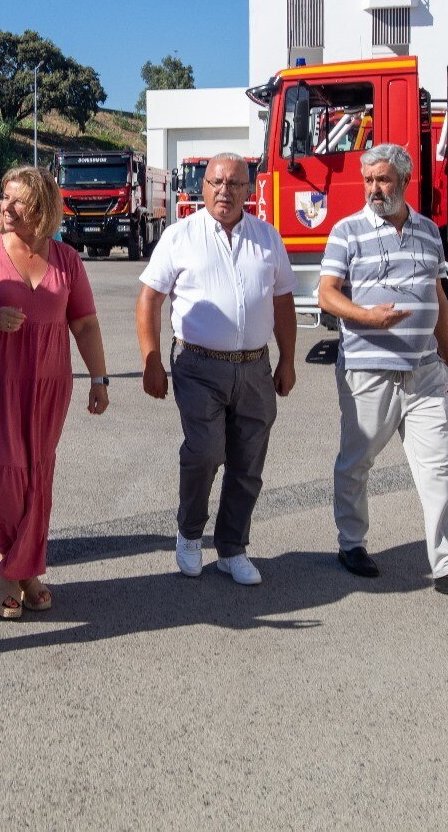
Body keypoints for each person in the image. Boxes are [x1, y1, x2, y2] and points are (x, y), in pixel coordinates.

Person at [318, 143, 448, 602]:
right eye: (369, 180)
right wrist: (366, 317)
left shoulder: (429, 231)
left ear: (404, 181)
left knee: (440, 467)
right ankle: (351, 544)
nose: (375, 189)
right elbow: (326, 294)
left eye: (383, 180)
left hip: (425, 371)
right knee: (356, 463)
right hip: (369, 370)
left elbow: (436, 297)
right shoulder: (346, 231)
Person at [0, 166, 109, 618]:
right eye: (5, 198)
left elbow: (85, 323)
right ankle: (7, 570)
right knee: (7, 474)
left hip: (48, 386)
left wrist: (99, 378)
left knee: (38, 475)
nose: (6, 207)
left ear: (43, 207)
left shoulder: (67, 259)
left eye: (18, 200)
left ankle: (28, 568)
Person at [136, 152, 296, 586]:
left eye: (235, 184)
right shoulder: (179, 236)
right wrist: (151, 360)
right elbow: (150, 299)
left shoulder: (267, 238)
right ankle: (190, 535)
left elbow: (283, 301)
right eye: (216, 182)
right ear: (202, 186)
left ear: (249, 190)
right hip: (198, 365)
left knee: (248, 461)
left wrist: (288, 359)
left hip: (255, 367)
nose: (225, 191)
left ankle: (231, 548)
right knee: (205, 452)